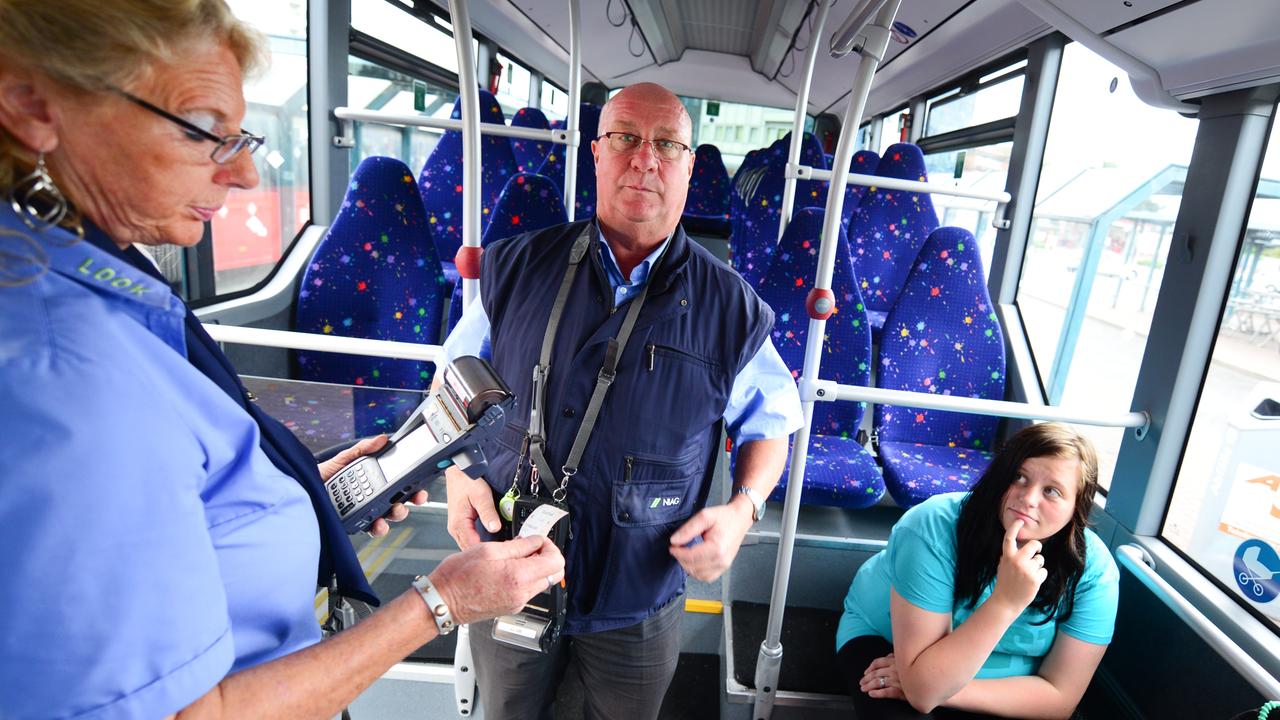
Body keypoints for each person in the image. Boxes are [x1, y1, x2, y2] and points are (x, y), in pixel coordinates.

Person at [0, 2, 563, 718]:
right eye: (205, 130)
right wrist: (442, 601)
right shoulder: (62, 370)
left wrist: (293, 499)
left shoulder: (91, 280)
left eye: (244, 136)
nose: (243, 175)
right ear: (33, 106)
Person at [439, 81, 804, 719]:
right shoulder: (517, 267)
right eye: (627, 138)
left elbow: (771, 422)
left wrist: (743, 510)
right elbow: (453, 381)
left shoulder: (733, 308)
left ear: (690, 166)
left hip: (640, 583)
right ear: (597, 153)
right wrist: (457, 472)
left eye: (667, 144)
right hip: (508, 560)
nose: (646, 159)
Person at [835, 423, 1120, 720]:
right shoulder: (933, 527)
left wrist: (948, 691)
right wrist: (1005, 603)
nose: (1028, 498)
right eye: (1019, 477)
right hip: (890, 644)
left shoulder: (1095, 572)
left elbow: (1059, 697)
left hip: (984, 678)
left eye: (1052, 491)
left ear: (1077, 507)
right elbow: (923, 693)